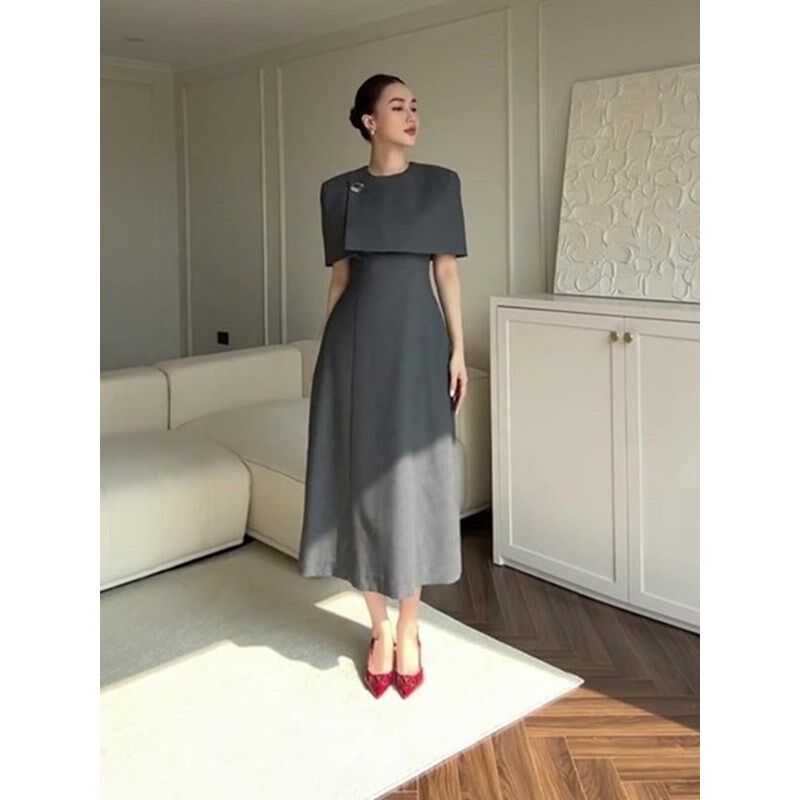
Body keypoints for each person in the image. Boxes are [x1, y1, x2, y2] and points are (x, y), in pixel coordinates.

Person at [297, 74, 469, 698]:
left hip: (419, 347)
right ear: (370, 122)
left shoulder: (440, 184)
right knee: (359, 481)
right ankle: (379, 628)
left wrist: (457, 350)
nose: (411, 114)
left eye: (414, 105)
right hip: (354, 348)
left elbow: (445, 272)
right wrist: (327, 355)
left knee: (416, 481)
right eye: (397, 106)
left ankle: (411, 626)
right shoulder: (337, 192)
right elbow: (341, 279)